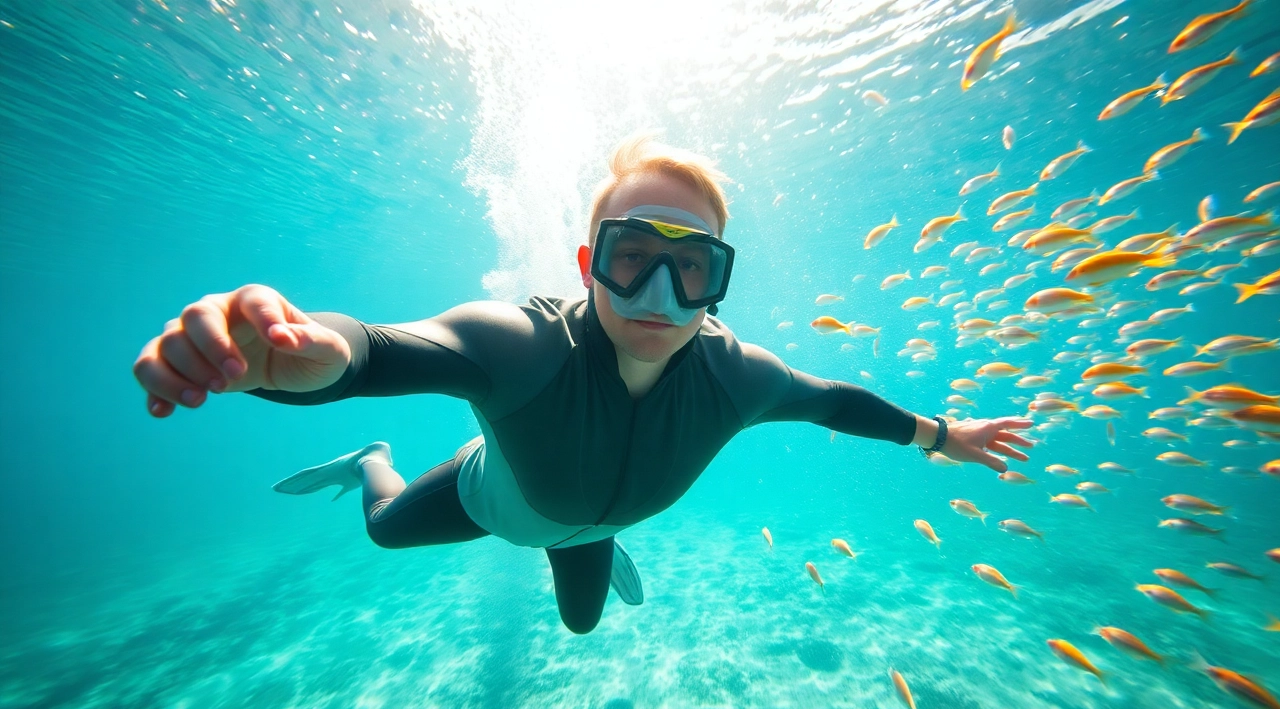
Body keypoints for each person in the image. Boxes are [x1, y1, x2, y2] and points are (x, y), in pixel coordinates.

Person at [132, 135, 1034, 634]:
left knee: (581, 629)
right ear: (588, 265)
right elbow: (381, 347)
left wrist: (938, 434)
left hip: (590, 523)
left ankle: (592, 538)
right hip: (490, 498)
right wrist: (301, 360)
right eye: (632, 258)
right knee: (381, 532)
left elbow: (833, 400)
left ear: (720, 284)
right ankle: (371, 461)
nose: (659, 294)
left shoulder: (739, 377)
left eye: (693, 271)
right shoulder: (520, 345)